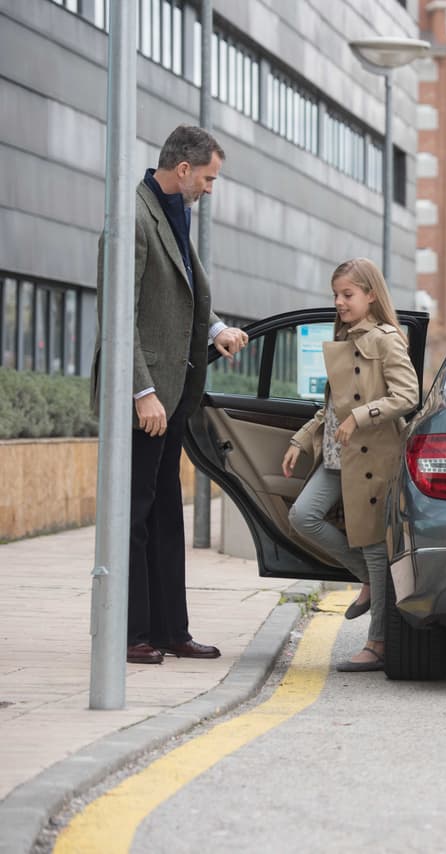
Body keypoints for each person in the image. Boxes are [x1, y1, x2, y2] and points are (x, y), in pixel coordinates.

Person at [92, 125, 248, 666]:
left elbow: (181, 296)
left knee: (165, 516)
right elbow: (120, 316)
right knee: (133, 513)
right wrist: (141, 391)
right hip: (146, 397)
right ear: (183, 169)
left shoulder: (171, 213)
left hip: (175, 390)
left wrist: (216, 330)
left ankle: (170, 630)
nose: (210, 188)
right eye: (208, 177)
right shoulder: (132, 217)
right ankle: (130, 633)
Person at [282, 259, 417, 672]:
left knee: (376, 549)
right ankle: (367, 583)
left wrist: (363, 415)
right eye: (336, 295)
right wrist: (302, 439)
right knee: (303, 515)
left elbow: (408, 394)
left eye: (347, 294)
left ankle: (377, 643)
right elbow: (332, 407)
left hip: (372, 457)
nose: (339, 303)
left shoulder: (386, 340)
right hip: (337, 457)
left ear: (371, 295)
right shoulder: (345, 338)